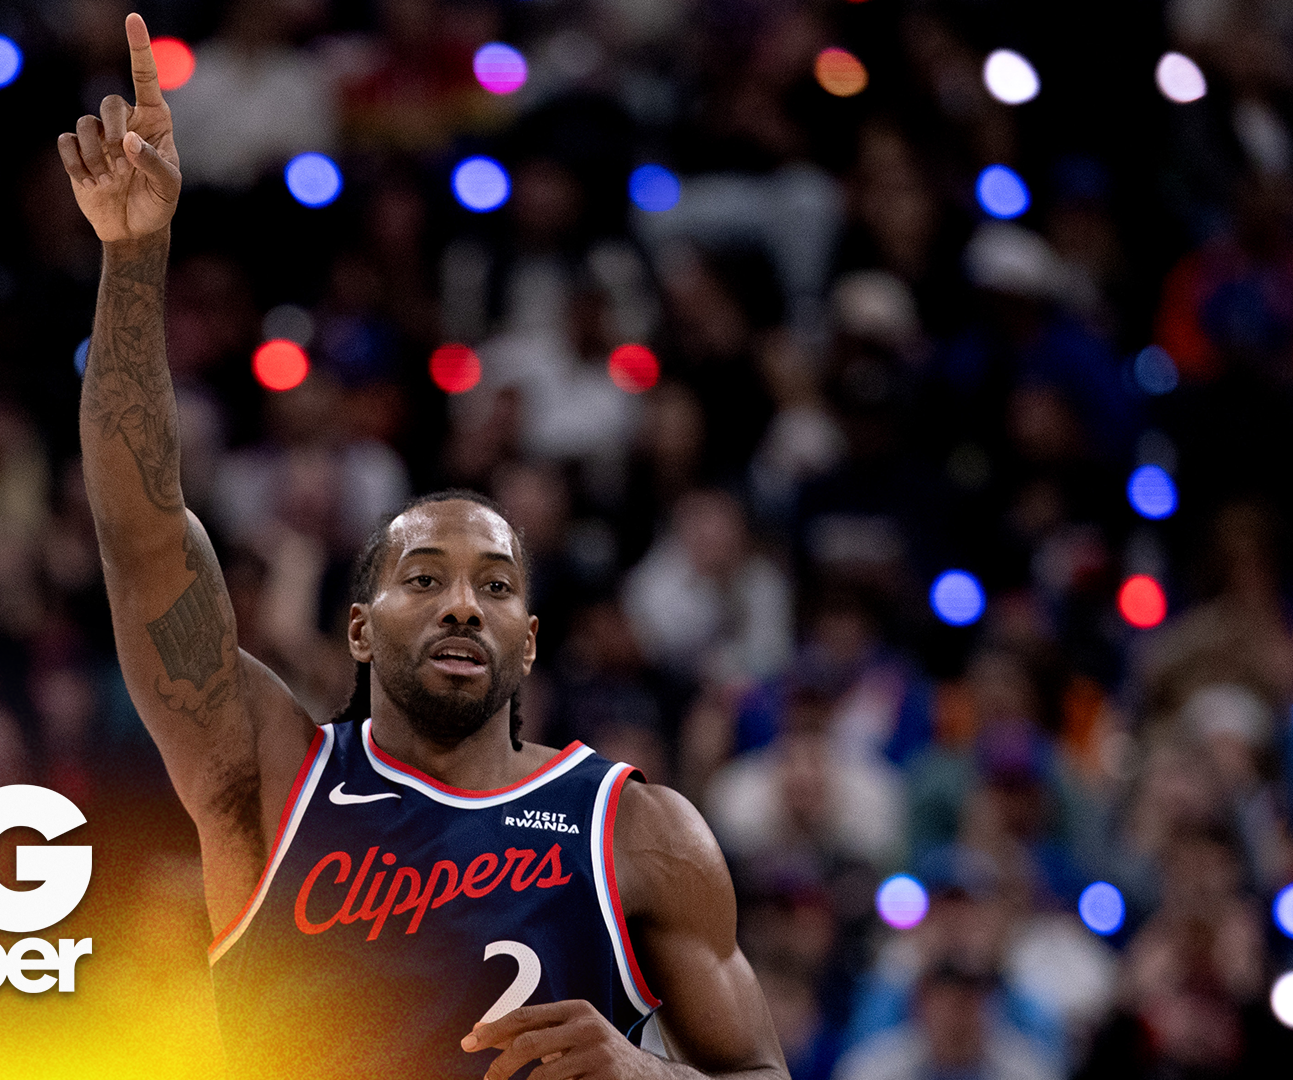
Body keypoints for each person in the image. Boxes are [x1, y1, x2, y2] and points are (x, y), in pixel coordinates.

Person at [56, 15, 789, 1079]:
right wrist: (132, 257)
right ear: (358, 627)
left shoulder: (639, 832)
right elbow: (140, 529)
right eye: (425, 577)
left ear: (529, 642)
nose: (463, 604)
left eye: (496, 585)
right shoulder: (269, 782)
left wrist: (648, 1076)